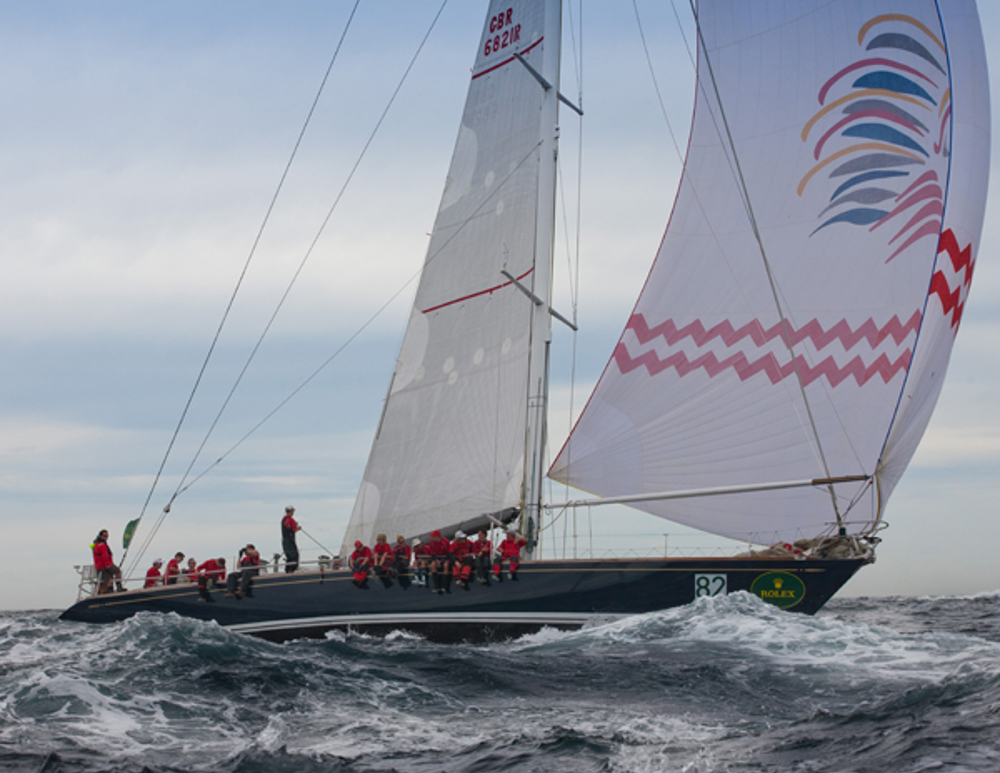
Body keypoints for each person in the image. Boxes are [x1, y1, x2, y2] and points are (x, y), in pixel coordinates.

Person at [91, 529, 124, 594]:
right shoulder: (102, 545)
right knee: (118, 571)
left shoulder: (97, 545)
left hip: (99, 566)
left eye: (107, 536)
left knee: (108, 578)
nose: (106, 538)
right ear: (100, 536)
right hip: (105, 565)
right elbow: (104, 556)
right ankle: (119, 587)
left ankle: (110, 590)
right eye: (105, 536)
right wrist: (108, 566)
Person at [427, 530, 452, 594]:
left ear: (438, 537)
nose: (432, 538)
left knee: (446, 566)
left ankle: (444, 586)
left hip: (445, 557)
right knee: (433, 565)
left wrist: (445, 560)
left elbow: (449, 553)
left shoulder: (445, 542)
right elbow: (432, 553)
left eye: (434, 537)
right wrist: (436, 560)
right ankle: (437, 585)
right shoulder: (431, 542)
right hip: (437, 557)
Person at [281, 506, 301, 573]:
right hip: (290, 540)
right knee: (294, 555)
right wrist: (298, 528)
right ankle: (292, 570)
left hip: (284, 540)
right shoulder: (290, 519)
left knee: (289, 556)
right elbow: (294, 529)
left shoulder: (283, 519)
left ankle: (288, 570)